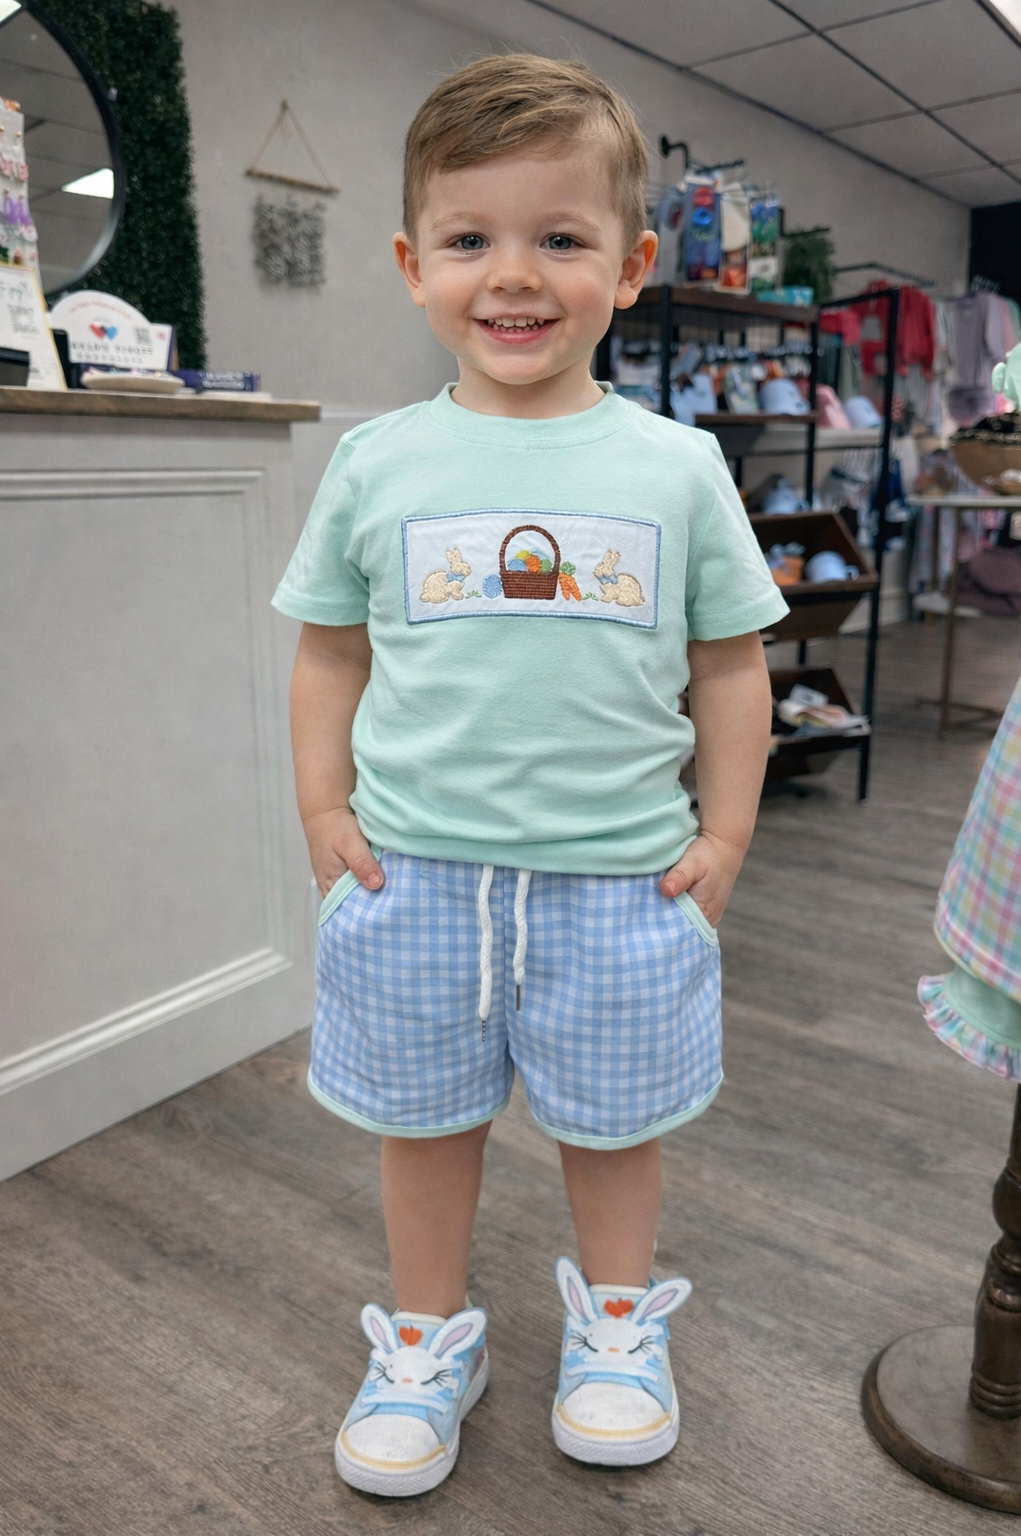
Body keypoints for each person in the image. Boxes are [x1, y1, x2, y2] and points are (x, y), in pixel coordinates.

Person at [270, 52, 789, 1497]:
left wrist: (729, 835)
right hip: (415, 871)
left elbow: (731, 663)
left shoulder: (679, 468)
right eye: (471, 239)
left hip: (621, 878)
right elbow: (327, 655)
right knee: (422, 1123)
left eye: (560, 239)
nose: (515, 276)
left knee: (613, 1132)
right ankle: (430, 1336)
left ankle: (617, 1330)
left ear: (628, 267)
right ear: (412, 262)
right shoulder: (376, 464)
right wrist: (322, 807)